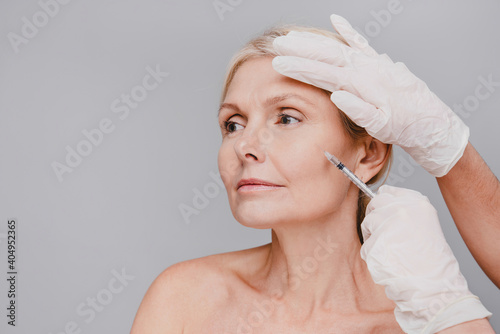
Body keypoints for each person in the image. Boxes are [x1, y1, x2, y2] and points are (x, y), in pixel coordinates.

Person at [130, 19, 494, 333]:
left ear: (368, 154)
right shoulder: (184, 299)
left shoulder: (423, 321)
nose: (244, 146)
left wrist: (448, 312)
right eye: (233, 124)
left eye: (287, 117)